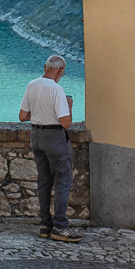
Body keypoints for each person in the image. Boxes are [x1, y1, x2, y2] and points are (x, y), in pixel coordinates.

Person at [18, 55, 82, 243]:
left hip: (36, 136)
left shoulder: (32, 85)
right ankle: (60, 227)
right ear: (60, 71)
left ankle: (45, 225)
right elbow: (66, 123)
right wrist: (68, 107)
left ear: (45, 67)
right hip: (54, 138)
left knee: (44, 181)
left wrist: (40, 111)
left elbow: (23, 116)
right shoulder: (57, 89)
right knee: (63, 181)